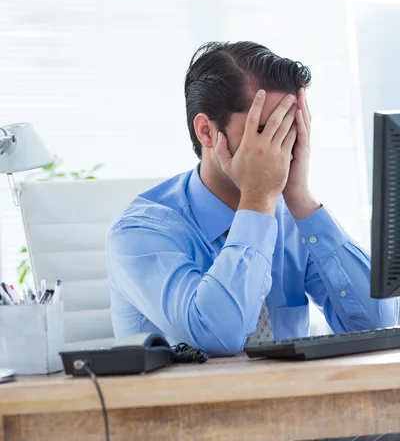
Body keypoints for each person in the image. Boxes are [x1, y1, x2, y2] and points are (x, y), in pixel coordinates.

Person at [107, 41, 398, 356]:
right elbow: (219, 337)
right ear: (207, 132)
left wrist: (299, 196)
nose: (280, 146)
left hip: (291, 402)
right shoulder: (139, 232)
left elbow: (378, 323)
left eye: (291, 127)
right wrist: (257, 200)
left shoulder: (292, 217)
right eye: (265, 130)